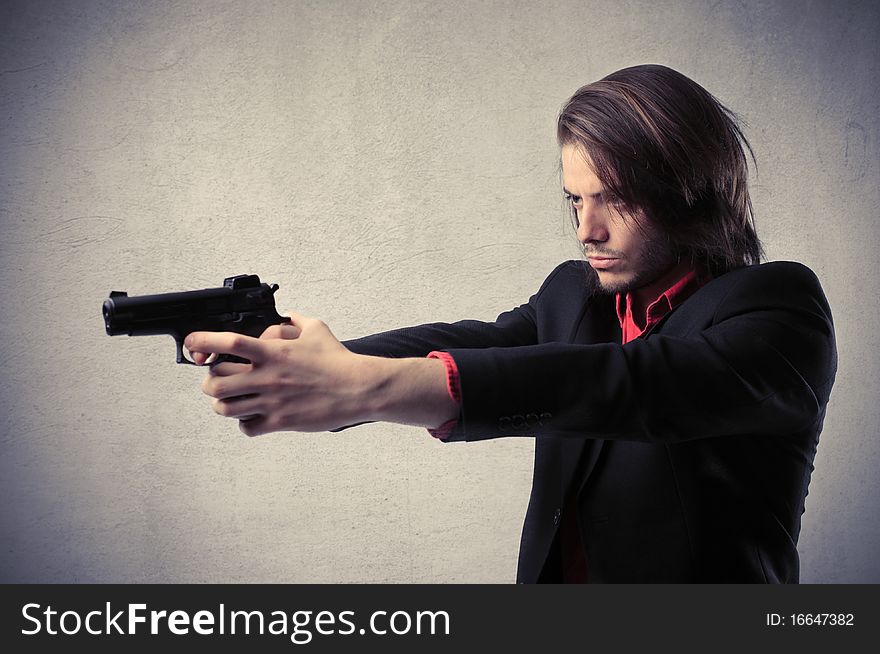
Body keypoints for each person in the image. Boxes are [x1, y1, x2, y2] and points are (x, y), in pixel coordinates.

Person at [185, 64, 837, 583]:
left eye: (616, 199)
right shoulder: (576, 296)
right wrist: (311, 363)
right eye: (575, 199)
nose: (588, 229)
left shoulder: (779, 312)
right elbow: (482, 345)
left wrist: (365, 387)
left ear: (687, 189)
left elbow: (629, 383)